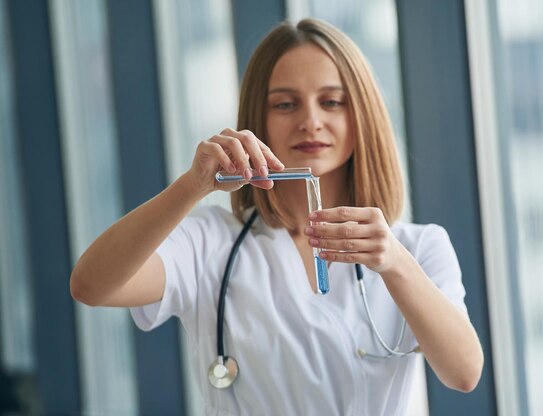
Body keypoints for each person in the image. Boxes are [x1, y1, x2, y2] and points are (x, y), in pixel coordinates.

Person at [70, 18, 483, 415]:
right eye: (286, 104)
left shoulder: (417, 247)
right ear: (258, 120)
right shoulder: (210, 242)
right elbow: (91, 286)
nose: (310, 121)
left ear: (361, 117)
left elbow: (464, 373)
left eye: (332, 102)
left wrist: (394, 263)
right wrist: (190, 187)